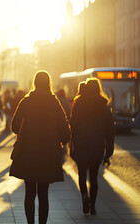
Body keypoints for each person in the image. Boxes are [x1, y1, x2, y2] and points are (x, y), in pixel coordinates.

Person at [9, 71, 70, 224]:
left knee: (29, 193)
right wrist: (58, 139)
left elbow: (14, 125)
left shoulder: (26, 101)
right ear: (48, 83)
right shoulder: (54, 102)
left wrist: (26, 132)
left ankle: (30, 222)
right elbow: (65, 132)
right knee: (44, 194)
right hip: (48, 154)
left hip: (28, 152)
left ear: (35, 83)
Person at [69, 78, 114, 215]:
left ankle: (84, 196)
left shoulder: (79, 103)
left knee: (82, 174)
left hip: (81, 144)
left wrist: (72, 145)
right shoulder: (104, 105)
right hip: (97, 145)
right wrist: (109, 149)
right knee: (94, 177)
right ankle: (93, 206)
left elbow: (73, 125)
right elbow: (109, 129)